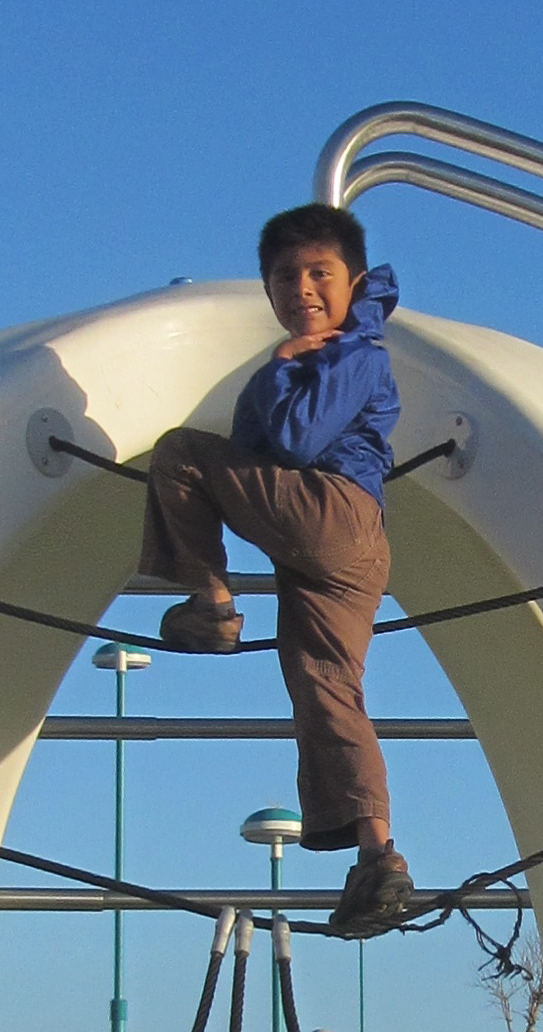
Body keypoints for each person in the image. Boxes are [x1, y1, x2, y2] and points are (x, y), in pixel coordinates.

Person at [141, 203, 422, 938]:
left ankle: (212, 604)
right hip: (346, 545)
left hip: (333, 513)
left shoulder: (356, 354)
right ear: (268, 291)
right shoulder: (325, 357)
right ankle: (376, 856)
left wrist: (283, 367)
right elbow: (252, 446)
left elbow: (292, 441)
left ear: (353, 282)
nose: (302, 288)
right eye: (285, 277)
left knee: (177, 455)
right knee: (325, 685)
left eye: (319, 273)